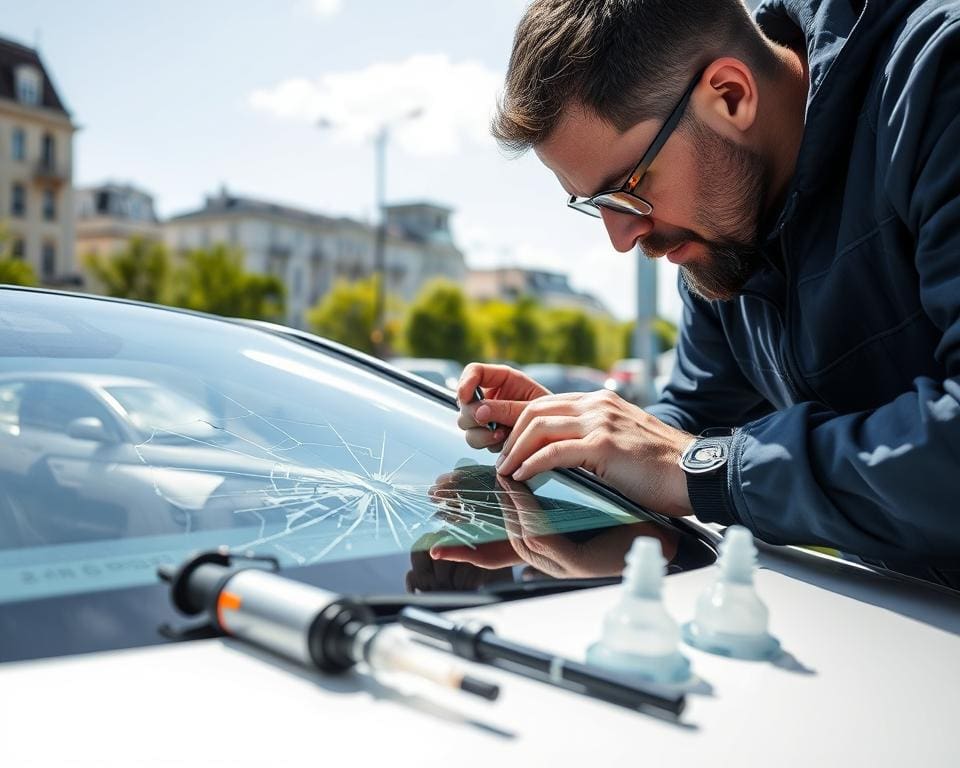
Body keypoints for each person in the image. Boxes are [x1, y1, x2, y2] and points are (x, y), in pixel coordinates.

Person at [455, 0, 960, 586]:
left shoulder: (937, 87)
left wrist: (701, 470)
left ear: (730, 96)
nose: (622, 238)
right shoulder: (720, 229)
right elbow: (689, 421)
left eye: (625, 190)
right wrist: (580, 448)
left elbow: (692, 460)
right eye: (596, 205)